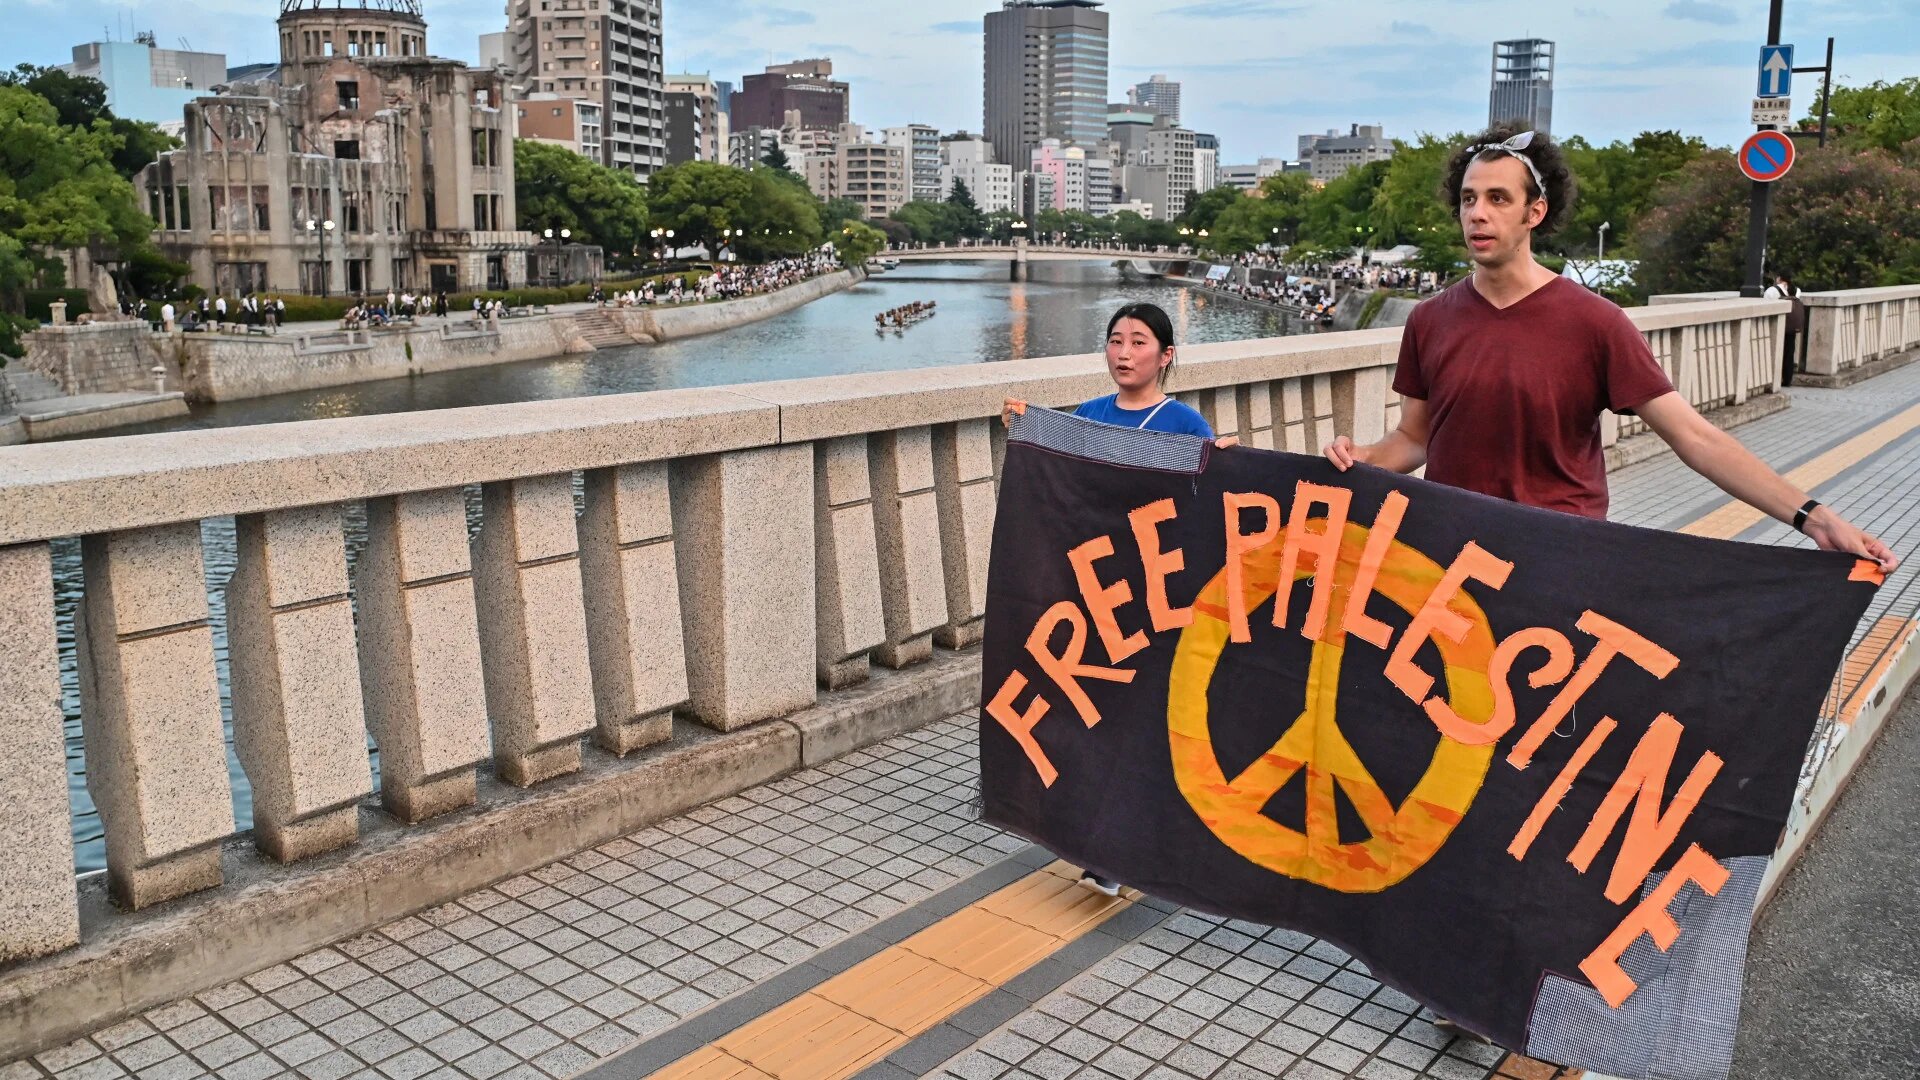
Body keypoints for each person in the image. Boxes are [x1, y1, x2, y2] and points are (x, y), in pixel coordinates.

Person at [1323, 127, 1896, 588]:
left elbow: (1696, 439)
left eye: (1499, 199)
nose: (1478, 213)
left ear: (1535, 213)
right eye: (1469, 199)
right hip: (1451, 562)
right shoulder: (1430, 320)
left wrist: (1814, 518)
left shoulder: (1595, 322)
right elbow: (1416, 438)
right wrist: (1362, 456)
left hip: (1560, 564)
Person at [1002, 302, 1221, 896]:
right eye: (1116, 341)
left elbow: (1202, 507)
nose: (1124, 353)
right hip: (1094, 589)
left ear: (1166, 355)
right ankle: (1093, 838)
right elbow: (1065, 488)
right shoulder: (1088, 415)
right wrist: (1029, 433)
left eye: (1139, 342)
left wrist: (1225, 465)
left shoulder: (1186, 425)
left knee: (1140, 719)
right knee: (1089, 713)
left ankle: (1131, 847)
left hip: (1154, 594)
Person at [1764, 272, 1805, 386]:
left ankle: (1775, 377)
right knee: (1789, 351)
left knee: (1775, 350)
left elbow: (1765, 305)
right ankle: (1787, 379)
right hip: (1791, 326)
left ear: (1779, 278)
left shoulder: (1772, 291)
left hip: (1776, 325)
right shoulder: (1797, 290)